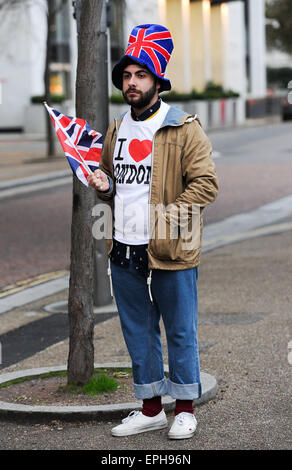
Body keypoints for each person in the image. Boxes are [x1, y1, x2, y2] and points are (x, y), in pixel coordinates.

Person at [87, 24, 218, 439]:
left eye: (140, 75)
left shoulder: (184, 127)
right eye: (126, 75)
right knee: (137, 331)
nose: (131, 82)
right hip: (122, 247)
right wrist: (105, 186)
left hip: (170, 249)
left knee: (179, 328)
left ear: (157, 80)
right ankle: (149, 408)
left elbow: (206, 184)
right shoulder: (117, 128)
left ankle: (184, 409)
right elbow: (112, 179)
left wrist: (166, 218)